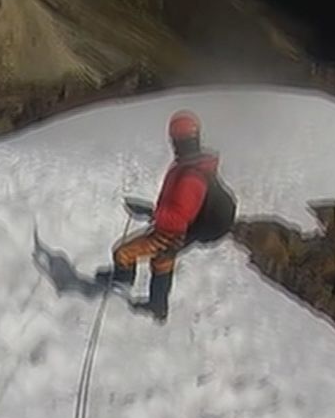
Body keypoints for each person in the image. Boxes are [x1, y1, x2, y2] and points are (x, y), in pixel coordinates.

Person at [96, 110, 236, 322]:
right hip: (184, 230)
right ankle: (157, 307)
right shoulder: (196, 167)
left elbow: (178, 216)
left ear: (176, 140)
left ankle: (121, 283)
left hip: (173, 231)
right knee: (162, 261)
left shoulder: (189, 175)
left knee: (123, 253)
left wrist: (155, 215)